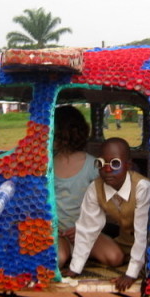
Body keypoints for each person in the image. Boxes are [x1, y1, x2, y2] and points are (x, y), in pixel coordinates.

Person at [63, 137, 150, 292]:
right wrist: (75, 268)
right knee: (113, 257)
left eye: (115, 163)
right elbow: (86, 228)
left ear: (128, 165)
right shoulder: (95, 188)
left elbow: (143, 234)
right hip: (125, 244)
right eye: (101, 164)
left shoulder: (142, 187)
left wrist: (131, 274)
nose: (107, 169)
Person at [53, 106, 99, 268]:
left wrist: (85, 228)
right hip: (57, 233)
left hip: (85, 232)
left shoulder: (92, 164)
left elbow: (103, 204)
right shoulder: (49, 164)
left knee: (114, 257)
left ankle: (77, 253)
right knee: (59, 258)